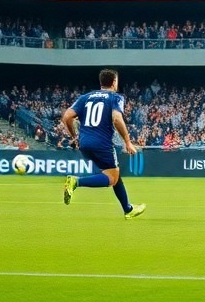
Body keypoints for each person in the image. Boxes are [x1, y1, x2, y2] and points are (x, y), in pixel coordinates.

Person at [60, 69, 145, 219]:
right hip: (102, 143)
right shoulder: (115, 97)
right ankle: (76, 182)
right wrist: (127, 142)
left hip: (85, 143)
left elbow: (67, 117)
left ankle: (128, 209)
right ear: (113, 82)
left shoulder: (85, 97)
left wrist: (74, 137)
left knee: (114, 173)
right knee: (112, 178)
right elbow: (117, 118)